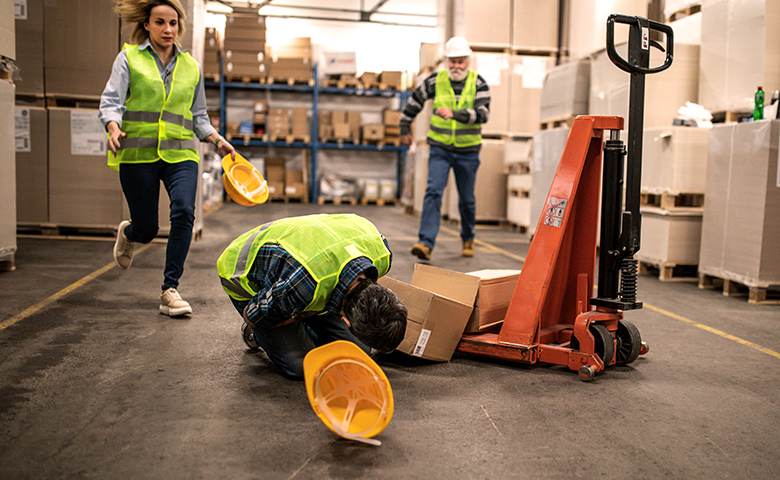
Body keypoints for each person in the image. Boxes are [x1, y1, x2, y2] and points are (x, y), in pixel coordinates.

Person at [99, 0, 235, 317]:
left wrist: (216, 140)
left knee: (184, 211)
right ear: (147, 25)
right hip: (139, 154)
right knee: (147, 229)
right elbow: (111, 101)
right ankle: (130, 233)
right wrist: (113, 126)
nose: (168, 29)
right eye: (160, 22)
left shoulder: (190, 67)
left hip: (180, 153)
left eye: (173, 23)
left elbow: (198, 116)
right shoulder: (129, 59)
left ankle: (169, 289)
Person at [217, 214, 408, 380]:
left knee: (359, 351)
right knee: (301, 366)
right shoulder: (303, 284)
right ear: (346, 321)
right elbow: (252, 315)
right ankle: (265, 336)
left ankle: (297, 326)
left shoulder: (382, 255)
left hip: (309, 270)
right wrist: (299, 314)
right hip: (243, 274)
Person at [400, 36, 490, 261]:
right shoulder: (435, 81)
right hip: (440, 148)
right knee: (433, 191)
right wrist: (404, 127)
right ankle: (425, 242)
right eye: (453, 61)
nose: (456, 66)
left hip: (468, 151)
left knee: (467, 199)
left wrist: (455, 114)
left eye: (460, 61)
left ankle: (468, 238)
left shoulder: (478, 84)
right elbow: (414, 101)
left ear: (467, 61)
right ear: (447, 61)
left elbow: (483, 114)